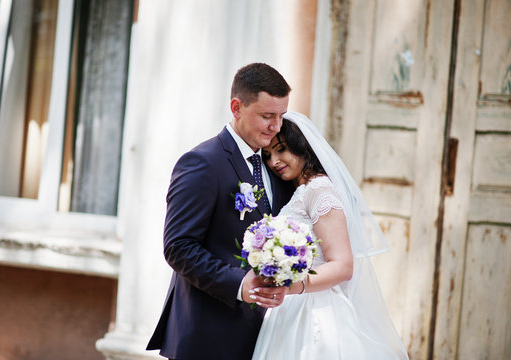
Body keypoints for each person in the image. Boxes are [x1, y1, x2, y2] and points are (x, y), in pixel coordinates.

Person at [146, 63, 296, 360]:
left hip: (264, 338)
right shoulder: (201, 163)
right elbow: (179, 247)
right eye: (267, 116)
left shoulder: (275, 164)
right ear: (236, 107)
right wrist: (239, 284)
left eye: (281, 116)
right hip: (207, 337)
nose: (276, 127)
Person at [251, 111, 409, 359]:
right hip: (291, 307)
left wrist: (292, 286)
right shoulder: (301, 190)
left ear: (301, 146)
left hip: (317, 309)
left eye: (281, 149)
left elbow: (343, 265)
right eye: (268, 155)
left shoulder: (319, 190)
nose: (274, 161)